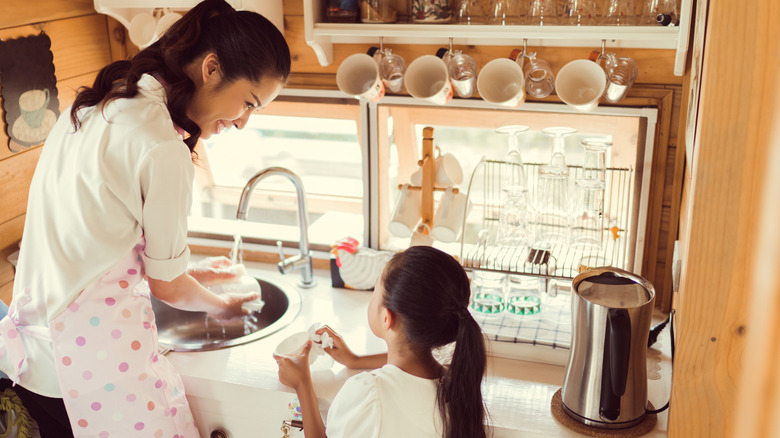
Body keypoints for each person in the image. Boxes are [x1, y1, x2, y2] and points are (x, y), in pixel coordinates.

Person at [0, 0, 291, 436]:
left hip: (35, 365)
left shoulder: (96, 106)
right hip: (88, 374)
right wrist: (225, 305)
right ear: (211, 68)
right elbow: (167, 286)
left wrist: (190, 270)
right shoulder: (162, 147)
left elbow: (96, 241)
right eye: (248, 102)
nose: (244, 121)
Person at [275, 246, 489, 438]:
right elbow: (408, 366)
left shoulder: (369, 394)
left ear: (387, 318)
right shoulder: (457, 383)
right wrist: (355, 360)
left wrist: (302, 382)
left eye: (375, 291)